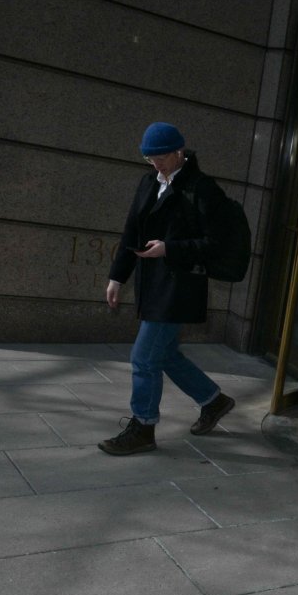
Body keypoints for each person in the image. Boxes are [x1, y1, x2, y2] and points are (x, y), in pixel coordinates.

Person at [99, 122, 235, 455]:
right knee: (166, 354)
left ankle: (143, 428)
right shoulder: (148, 182)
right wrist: (118, 277)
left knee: (144, 358)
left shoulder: (202, 189)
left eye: (161, 158)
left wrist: (169, 249)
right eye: (150, 159)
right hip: (152, 285)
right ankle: (213, 401)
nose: (156, 165)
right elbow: (132, 230)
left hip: (179, 287)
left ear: (179, 152)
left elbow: (216, 243)